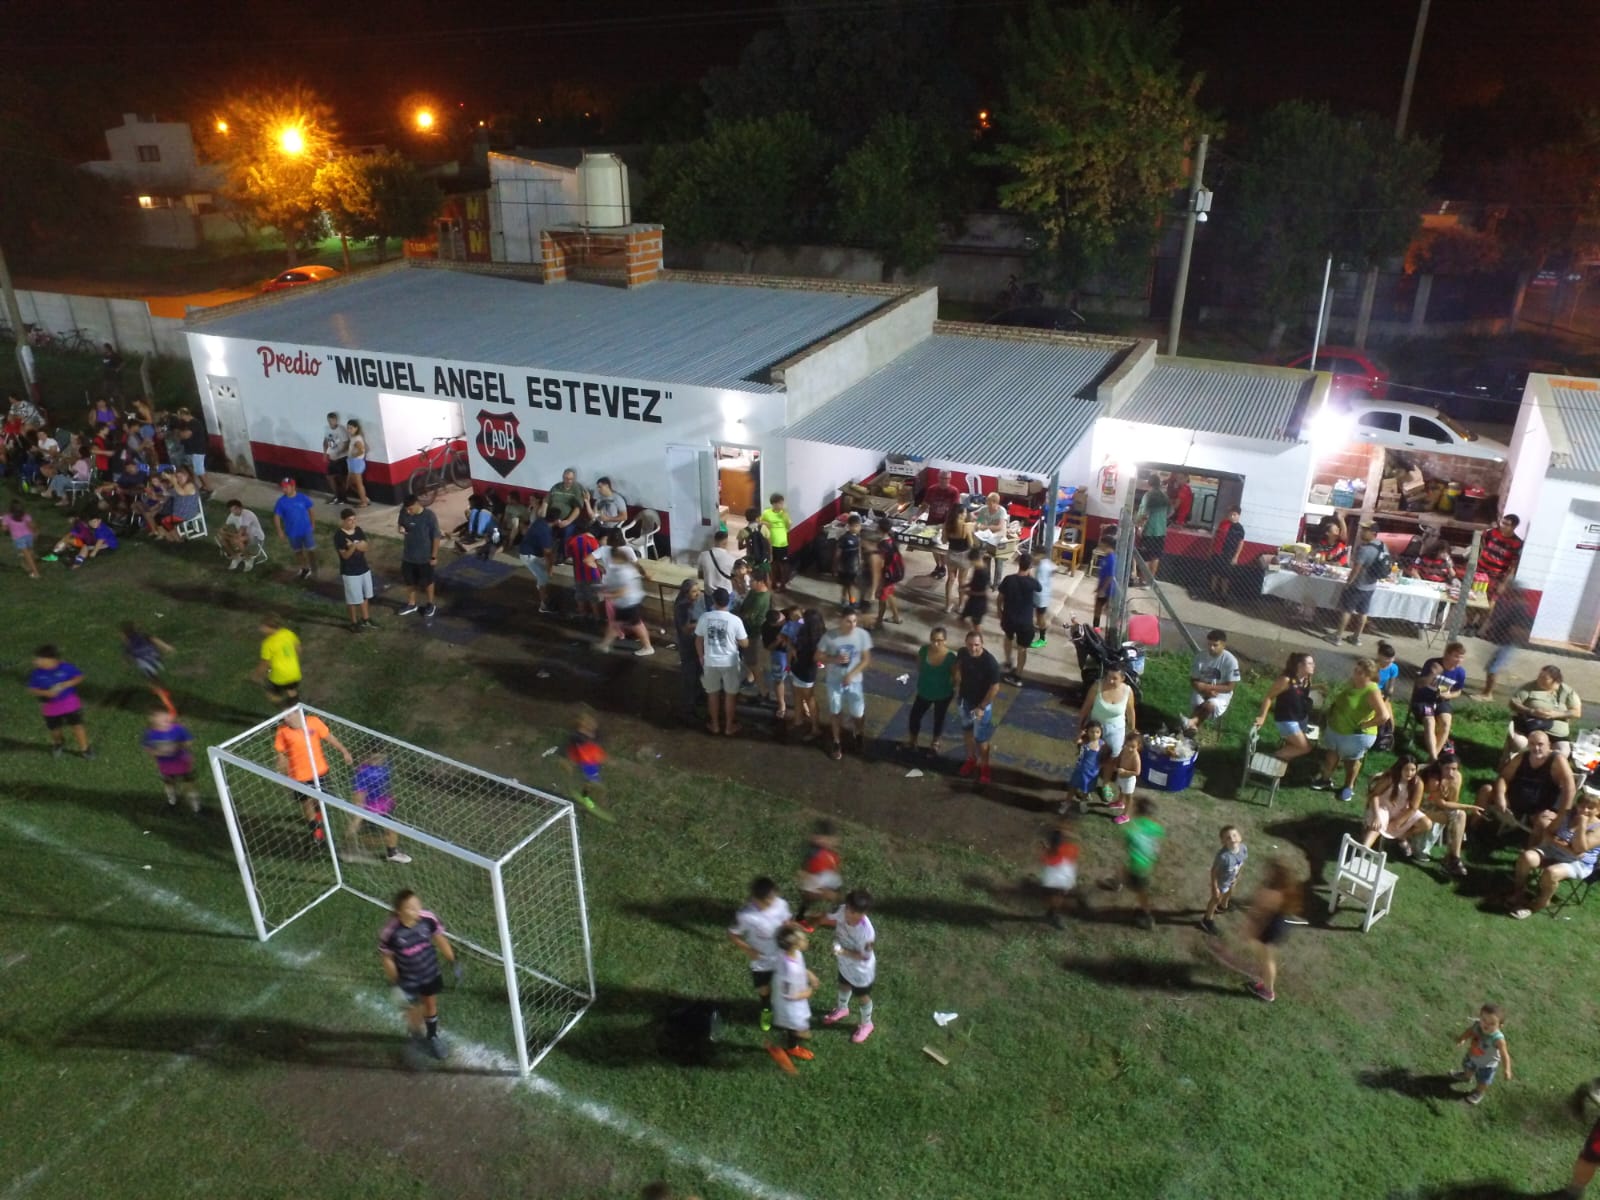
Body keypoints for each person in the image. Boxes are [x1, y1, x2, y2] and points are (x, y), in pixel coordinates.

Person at [379, 889, 460, 1061]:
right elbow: (387, 958)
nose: (417, 909)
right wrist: (396, 982)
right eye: (411, 907)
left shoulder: (428, 919)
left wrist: (453, 961)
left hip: (430, 973)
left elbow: (440, 939)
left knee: (430, 1005)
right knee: (414, 1011)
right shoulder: (390, 932)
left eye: (417, 905)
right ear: (399, 912)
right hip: (408, 979)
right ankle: (415, 1035)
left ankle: (432, 1037)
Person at [1509, 789, 1600, 919]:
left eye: (1590, 808)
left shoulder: (1598, 828)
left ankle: (1539, 903)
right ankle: (1518, 892)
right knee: (1527, 857)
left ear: (1598, 810)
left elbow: (1579, 849)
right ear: (1577, 805)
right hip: (1553, 851)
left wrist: (1582, 825)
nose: (1585, 810)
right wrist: (1566, 847)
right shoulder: (1567, 815)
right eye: (1582, 805)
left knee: (1552, 872)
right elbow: (1547, 832)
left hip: (1578, 863)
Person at [1311, 657, 1391, 803]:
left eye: (1359, 672)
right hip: (1336, 728)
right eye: (1356, 670)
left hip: (1355, 736)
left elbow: (1384, 715)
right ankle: (1325, 779)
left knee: (1351, 761)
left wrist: (1363, 726)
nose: (1355, 673)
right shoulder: (1352, 683)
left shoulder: (1372, 690)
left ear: (1368, 675)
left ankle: (1348, 787)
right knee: (1331, 755)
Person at [1481, 729, 1577, 846]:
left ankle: (1530, 855)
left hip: (1539, 808)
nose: (1536, 748)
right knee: (1485, 790)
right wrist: (1501, 796)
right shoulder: (1522, 757)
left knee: (1544, 822)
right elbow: (1503, 777)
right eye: (1532, 744)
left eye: (1540, 744)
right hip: (1512, 802)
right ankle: (1474, 828)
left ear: (1549, 745)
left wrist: (1562, 815)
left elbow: (1570, 788)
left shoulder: (1557, 760)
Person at [273, 707, 353, 843]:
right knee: (306, 803)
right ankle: (316, 830)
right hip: (298, 776)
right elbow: (280, 754)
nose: (286, 719)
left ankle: (319, 819)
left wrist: (343, 750)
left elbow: (329, 736)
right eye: (284, 717)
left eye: (288, 715)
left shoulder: (313, 722)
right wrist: (282, 771)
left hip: (320, 771)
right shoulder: (282, 731)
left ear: (297, 713)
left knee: (319, 800)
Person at [727, 876, 793, 1033]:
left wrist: (791, 938)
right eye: (769, 899)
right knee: (763, 988)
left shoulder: (781, 905)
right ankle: (766, 1009)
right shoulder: (746, 915)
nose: (773, 901)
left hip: (781, 955)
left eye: (774, 897)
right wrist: (748, 949)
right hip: (761, 959)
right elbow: (732, 934)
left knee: (785, 985)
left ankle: (785, 1012)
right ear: (757, 899)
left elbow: (787, 923)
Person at [1409, 753, 1481, 876]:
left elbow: (1453, 801)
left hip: (1436, 807)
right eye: (1448, 768)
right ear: (1440, 766)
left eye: (1454, 769)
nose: (1451, 772)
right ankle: (1452, 860)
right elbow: (1442, 804)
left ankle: (1454, 858)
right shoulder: (1434, 780)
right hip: (1420, 806)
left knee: (1460, 815)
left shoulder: (1456, 777)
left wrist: (1452, 786)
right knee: (1459, 815)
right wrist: (1469, 807)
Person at [819, 889, 877, 1043]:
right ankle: (842, 1008)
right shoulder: (842, 909)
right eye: (848, 908)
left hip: (860, 971)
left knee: (862, 996)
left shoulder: (867, 933)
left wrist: (842, 951)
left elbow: (864, 956)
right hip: (844, 963)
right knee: (843, 985)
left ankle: (867, 1024)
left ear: (862, 913)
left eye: (852, 912)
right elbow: (827, 917)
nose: (847, 914)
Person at [819, 609, 873, 761]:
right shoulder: (829, 636)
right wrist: (834, 659)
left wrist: (851, 674)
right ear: (840, 620)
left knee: (858, 713)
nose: (852, 625)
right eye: (848, 621)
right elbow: (818, 656)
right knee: (835, 711)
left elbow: (866, 659)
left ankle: (859, 733)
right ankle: (836, 741)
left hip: (854, 682)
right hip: (834, 681)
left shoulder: (862, 635)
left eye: (855, 621)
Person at [695, 587, 748, 736]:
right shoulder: (735, 620)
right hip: (730, 663)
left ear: (714, 601)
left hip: (710, 661)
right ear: (729, 601)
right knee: (730, 695)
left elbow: (698, 640)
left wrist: (701, 656)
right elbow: (745, 643)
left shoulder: (705, 617)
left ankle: (716, 725)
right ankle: (729, 727)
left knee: (712, 694)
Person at [1252, 652, 1317, 770]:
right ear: (1299, 665)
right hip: (1286, 720)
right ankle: (1270, 758)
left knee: (1293, 747)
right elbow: (1269, 697)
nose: (1314, 665)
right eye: (1310, 663)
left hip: (1299, 718)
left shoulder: (1306, 679)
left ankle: (1275, 768)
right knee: (1305, 747)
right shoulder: (1286, 680)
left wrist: (1319, 687)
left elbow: (1300, 692)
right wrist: (1262, 716)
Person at [953, 628, 1002, 784]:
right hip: (965, 702)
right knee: (967, 731)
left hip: (979, 707)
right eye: (970, 645)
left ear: (982, 644)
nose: (973, 648)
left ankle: (985, 767)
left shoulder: (990, 663)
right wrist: (957, 680)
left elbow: (995, 688)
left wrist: (981, 707)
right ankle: (971, 759)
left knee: (981, 738)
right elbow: (958, 665)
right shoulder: (963, 653)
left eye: (976, 645)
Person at [344, 750, 411, 863]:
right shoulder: (363, 772)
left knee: (393, 828)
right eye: (375, 758)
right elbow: (359, 793)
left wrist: (391, 795)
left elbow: (387, 782)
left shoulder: (387, 764)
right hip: (370, 806)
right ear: (367, 756)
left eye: (381, 758)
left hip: (384, 803)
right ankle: (348, 848)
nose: (379, 760)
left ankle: (392, 852)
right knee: (356, 825)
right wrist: (359, 808)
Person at [768, 926, 817, 1074]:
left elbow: (801, 968)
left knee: (797, 1027)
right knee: (800, 1028)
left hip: (793, 996)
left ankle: (791, 1045)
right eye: (802, 938)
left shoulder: (792, 953)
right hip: (791, 1003)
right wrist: (808, 992)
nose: (806, 939)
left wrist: (809, 975)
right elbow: (789, 994)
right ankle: (785, 1046)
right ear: (794, 945)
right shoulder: (790, 970)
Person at [1506, 665, 1583, 760]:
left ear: (1555, 681)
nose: (1539, 679)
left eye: (1544, 678)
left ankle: (1545, 771)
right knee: (1520, 742)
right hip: (1531, 726)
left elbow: (1577, 713)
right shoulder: (1530, 687)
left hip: (1556, 733)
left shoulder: (1568, 692)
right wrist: (1531, 711)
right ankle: (1517, 766)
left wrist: (1555, 714)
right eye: (1539, 676)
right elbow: (1513, 703)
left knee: (1563, 751)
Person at [28, 645, 92, 758]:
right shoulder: (37, 673)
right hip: (50, 706)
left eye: (39, 659)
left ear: (51, 659)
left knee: (77, 726)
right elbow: (32, 689)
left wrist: (66, 684)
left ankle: (85, 749)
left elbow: (79, 677)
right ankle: (58, 743)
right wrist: (46, 693)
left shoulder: (66, 668)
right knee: (55, 730)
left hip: (70, 703)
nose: (36, 661)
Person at [1330, 523, 1387, 647]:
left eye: (1365, 530)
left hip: (1357, 586)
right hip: (1371, 586)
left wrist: (1348, 583)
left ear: (1373, 533)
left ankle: (1337, 637)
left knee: (1347, 611)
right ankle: (1355, 638)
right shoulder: (1382, 546)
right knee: (1363, 612)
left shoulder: (1364, 549)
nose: (1361, 532)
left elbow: (1356, 569)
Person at [1477, 580, 1534, 700]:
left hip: (1508, 642)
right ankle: (1487, 691)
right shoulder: (1508, 603)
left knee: (1493, 668)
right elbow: (1496, 618)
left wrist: (1507, 632)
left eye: (1508, 589)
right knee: (1491, 667)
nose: (1505, 591)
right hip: (1501, 640)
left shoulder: (1520, 607)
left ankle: (1487, 694)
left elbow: (1519, 627)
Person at [1411, 641, 1468, 760]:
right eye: (1456, 656)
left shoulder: (1460, 672)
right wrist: (1432, 674)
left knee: (1446, 723)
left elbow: (1458, 691)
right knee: (1430, 721)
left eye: (1462, 657)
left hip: (1442, 701)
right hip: (1423, 700)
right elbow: (1419, 684)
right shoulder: (1433, 663)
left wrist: (1448, 695)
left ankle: (1433, 756)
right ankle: (1434, 758)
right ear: (1447, 654)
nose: (1459, 660)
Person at [1450, 1004, 1514, 1106]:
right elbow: (1470, 1032)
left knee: (1483, 1081)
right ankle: (1466, 1076)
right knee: (1467, 1067)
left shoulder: (1498, 1039)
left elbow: (1504, 1054)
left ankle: (1478, 1092)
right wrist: (1462, 1038)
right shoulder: (1477, 1026)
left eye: (1492, 1023)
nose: (1486, 1024)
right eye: (1483, 1019)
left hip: (1487, 1065)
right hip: (1473, 1056)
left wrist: (1507, 1070)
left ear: (1500, 1026)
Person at [1362, 752, 1426, 854]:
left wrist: (1399, 822)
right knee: (1377, 825)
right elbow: (1374, 795)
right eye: (1406, 769)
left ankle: (1401, 836)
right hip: (1383, 807)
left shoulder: (1418, 783)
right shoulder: (1391, 778)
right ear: (1400, 768)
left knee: (1426, 823)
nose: (1409, 773)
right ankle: (1363, 849)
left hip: (1402, 810)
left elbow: (1414, 807)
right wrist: (1376, 816)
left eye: (1413, 770)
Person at [596, 549, 655, 657]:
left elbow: (622, 591)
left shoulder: (623, 572)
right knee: (617, 623)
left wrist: (606, 595)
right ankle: (605, 645)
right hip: (627, 602)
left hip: (628, 603)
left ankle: (648, 647)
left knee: (635, 625)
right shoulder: (626, 568)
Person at [907, 626, 955, 758]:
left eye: (939, 640)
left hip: (943, 694)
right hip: (924, 691)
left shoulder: (951, 657)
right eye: (933, 640)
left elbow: (955, 676)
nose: (935, 643)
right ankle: (913, 741)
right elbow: (920, 667)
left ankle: (935, 742)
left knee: (939, 718)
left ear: (945, 641)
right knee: (914, 716)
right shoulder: (923, 651)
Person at [1117, 795, 1163, 930]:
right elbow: (1157, 845)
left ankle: (1147, 916)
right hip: (1148, 863)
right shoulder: (1156, 827)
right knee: (1122, 869)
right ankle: (1117, 882)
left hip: (1136, 866)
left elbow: (1128, 845)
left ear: (1137, 811)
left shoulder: (1132, 829)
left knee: (1141, 892)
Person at [141, 709, 201, 813]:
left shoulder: (178, 729)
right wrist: (160, 753)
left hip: (182, 762)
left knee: (188, 782)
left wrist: (177, 747)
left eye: (166, 716)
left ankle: (193, 800)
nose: (165, 719)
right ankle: (172, 798)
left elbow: (188, 741)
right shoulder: (150, 734)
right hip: (165, 765)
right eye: (160, 717)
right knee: (169, 782)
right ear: (153, 720)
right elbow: (148, 748)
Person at [1184, 629, 1240, 735]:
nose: (1211, 648)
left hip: (1221, 693)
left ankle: (1190, 724)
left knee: (1209, 705)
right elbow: (1193, 680)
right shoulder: (1200, 657)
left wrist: (1208, 688)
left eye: (1215, 645)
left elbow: (1230, 687)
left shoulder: (1231, 661)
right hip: (1201, 689)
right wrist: (1203, 689)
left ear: (1223, 645)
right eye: (1209, 644)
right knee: (1198, 704)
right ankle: (1192, 728)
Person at [996, 551, 1040, 685]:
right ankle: (1018, 676)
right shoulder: (1032, 583)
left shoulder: (1008, 580)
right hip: (1025, 622)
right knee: (1022, 648)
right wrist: (1030, 575)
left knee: (1008, 638)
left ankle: (1008, 662)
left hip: (1008, 617)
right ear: (1030, 566)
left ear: (1018, 564)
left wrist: (999, 610)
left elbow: (1000, 598)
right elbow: (1039, 588)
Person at [397, 493, 441, 618]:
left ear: (417, 504)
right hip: (408, 555)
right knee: (409, 581)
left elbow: (436, 537)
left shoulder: (429, 516)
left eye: (410, 509)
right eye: (406, 509)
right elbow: (400, 524)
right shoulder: (404, 512)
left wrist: (433, 556)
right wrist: (400, 528)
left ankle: (430, 604)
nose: (408, 511)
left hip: (424, 557)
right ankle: (412, 604)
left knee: (428, 581)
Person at [333, 509, 378, 631]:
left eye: (354, 519)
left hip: (363, 568)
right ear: (343, 521)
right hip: (350, 572)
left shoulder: (358, 530)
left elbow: (366, 547)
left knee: (365, 596)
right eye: (349, 520)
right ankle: (353, 622)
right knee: (352, 599)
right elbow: (345, 556)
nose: (352, 522)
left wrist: (353, 545)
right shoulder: (339, 536)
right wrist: (355, 546)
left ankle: (366, 619)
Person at [1080, 663, 1136, 759]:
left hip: (1116, 731)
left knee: (1111, 759)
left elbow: (1130, 712)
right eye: (1108, 677)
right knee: (1090, 757)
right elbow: (1086, 707)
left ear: (1122, 679)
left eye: (1115, 678)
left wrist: (1132, 733)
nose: (1110, 681)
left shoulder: (1128, 691)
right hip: (1095, 730)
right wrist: (1080, 728)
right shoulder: (1097, 686)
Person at [1200, 825, 1248, 936]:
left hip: (1232, 878)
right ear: (1223, 842)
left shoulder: (1243, 848)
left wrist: (1237, 876)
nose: (1232, 839)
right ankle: (1207, 920)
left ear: (1240, 837)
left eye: (1234, 835)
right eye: (1228, 837)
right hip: (1221, 882)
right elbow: (1214, 872)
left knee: (1230, 892)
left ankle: (1223, 906)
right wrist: (1215, 887)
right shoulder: (1223, 857)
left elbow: (1241, 863)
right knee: (1215, 899)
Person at [794, 820, 842, 930]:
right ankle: (801, 918)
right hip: (816, 878)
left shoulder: (829, 853)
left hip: (826, 875)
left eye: (832, 840)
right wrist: (819, 889)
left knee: (836, 891)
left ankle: (834, 913)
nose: (832, 842)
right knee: (809, 899)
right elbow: (805, 872)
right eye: (828, 839)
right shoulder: (813, 852)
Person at [672, 578, 706, 723]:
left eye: (698, 590)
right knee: (690, 677)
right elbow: (685, 629)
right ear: (686, 593)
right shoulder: (683, 607)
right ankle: (688, 709)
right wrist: (701, 622)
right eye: (694, 591)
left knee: (698, 672)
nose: (698, 594)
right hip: (688, 645)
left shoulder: (695, 602)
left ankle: (698, 698)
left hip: (696, 644)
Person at [789, 608, 824, 741]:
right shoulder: (819, 636)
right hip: (803, 670)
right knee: (799, 695)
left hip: (803, 670)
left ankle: (815, 728)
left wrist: (792, 647)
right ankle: (798, 720)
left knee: (809, 698)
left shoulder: (806, 635)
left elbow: (799, 650)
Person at [272, 477, 317, 580]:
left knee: (310, 550)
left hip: (306, 530)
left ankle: (313, 567)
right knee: (298, 551)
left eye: (286, 487)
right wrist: (280, 531)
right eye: (283, 487)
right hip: (292, 532)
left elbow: (310, 511)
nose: (284, 490)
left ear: (293, 487)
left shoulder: (302, 498)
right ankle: (304, 568)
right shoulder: (281, 502)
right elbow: (276, 517)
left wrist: (313, 523)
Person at [253, 614, 304, 705]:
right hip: (294, 671)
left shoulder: (268, 643)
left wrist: (257, 676)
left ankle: (285, 711)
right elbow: (298, 648)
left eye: (263, 627)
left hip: (279, 676)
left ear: (269, 627)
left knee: (272, 695)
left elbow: (265, 664)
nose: (261, 629)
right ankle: (296, 707)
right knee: (291, 690)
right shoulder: (288, 633)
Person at [1039, 823, 1082, 927]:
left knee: (1058, 895)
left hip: (1057, 876)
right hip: (1059, 878)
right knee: (1058, 896)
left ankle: (1052, 912)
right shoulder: (1067, 850)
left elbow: (1047, 858)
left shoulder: (1057, 852)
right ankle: (1052, 914)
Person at [517, 500, 556, 614]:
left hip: (531, 553)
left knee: (543, 576)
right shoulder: (545, 532)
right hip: (529, 556)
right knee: (543, 578)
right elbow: (548, 554)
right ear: (557, 520)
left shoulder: (540, 521)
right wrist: (550, 569)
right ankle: (544, 606)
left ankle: (544, 593)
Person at [922, 471, 962, 579]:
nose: (944, 480)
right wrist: (916, 516)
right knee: (932, 546)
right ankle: (938, 565)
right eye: (942, 478)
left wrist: (947, 524)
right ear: (938, 478)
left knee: (942, 547)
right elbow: (925, 504)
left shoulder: (954, 491)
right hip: (932, 522)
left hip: (945, 524)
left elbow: (955, 510)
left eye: (947, 478)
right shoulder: (932, 489)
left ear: (950, 479)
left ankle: (943, 567)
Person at [1063, 719, 1106, 814]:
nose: (1095, 734)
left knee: (1087, 790)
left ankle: (1083, 803)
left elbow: (1103, 758)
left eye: (1097, 732)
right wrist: (1080, 734)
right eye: (1092, 732)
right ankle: (1067, 802)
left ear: (1101, 732)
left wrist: (1099, 768)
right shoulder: (1085, 742)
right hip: (1081, 770)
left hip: (1092, 773)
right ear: (1087, 731)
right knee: (1073, 787)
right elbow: (1076, 741)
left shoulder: (1102, 744)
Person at [1133, 474, 1170, 584]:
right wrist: (1161, 519)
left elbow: (1144, 514)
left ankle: (1143, 580)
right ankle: (1151, 580)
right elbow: (1170, 512)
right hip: (1161, 531)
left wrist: (1139, 526)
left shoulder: (1148, 496)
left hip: (1149, 530)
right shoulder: (1165, 496)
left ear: (1149, 483)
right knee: (1156, 556)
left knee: (1146, 556)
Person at [568, 519, 604, 621]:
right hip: (592, 573)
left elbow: (569, 555)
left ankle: (582, 612)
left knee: (580, 594)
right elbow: (596, 558)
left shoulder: (572, 540)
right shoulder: (594, 542)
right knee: (593, 596)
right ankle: (596, 616)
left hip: (579, 572)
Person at [1477, 513, 1524, 591]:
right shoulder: (1493, 532)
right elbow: (1482, 540)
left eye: (1506, 524)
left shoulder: (1517, 544)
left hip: (1495, 576)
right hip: (1480, 569)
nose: (1502, 525)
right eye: (1502, 522)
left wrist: (1504, 584)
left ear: (1514, 527)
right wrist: (1483, 553)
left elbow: (1513, 566)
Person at [545, 467, 589, 549]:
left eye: (570, 479)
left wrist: (568, 521)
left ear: (574, 479)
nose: (568, 481)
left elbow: (577, 509)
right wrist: (543, 515)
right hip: (552, 517)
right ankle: (545, 551)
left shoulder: (577, 489)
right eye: (566, 478)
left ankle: (562, 554)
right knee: (542, 527)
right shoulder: (556, 487)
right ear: (563, 477)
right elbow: (547, 500)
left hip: (568, 519)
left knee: (567, 531)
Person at [1104, 729, 1142, 822]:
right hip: (1121, 776)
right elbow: (1119, 758)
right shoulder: (1124, 750)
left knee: (1128, 796)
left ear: (1138, 746)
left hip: (1129, 779)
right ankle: (1120, 802)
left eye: (1133, 747)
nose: (1129, 748)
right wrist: (1115, 766)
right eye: (1127, 745)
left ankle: (1125, 815)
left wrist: (1125, 772)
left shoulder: (1136, 758)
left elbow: (1137, 772)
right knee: (1121, 789)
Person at [1208, 506, 1245, 601]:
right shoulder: (1223, 523)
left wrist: (1236, 556)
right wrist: (1211, 549)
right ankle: (1212, 592)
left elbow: (1240, 543)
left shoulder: (1239, 528)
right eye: (1231, 514)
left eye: (1234, 515)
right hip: (1217, 552)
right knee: (1214, 573)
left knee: (1225, 575)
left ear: (1238, 516)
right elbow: (1215, 537)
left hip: (1229, 554)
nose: (1232, 516)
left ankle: (1223, 594)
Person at [873, 519, 905, 627]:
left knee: (882, 599)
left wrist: (878, 580)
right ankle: (896, 617)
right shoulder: (892, 539)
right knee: (890, 595)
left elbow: (881, 563)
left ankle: (878, 621)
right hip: (893, 574)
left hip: (886, 576)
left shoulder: (882, 545)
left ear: (880, 529)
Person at [220, 500, 266, 571]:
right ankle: (236, 557)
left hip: (256, 537)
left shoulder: (247, 515)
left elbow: (240, 534)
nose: (233, 512)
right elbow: (224, 527)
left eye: (235, 509)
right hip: (245, 536)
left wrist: (226, 534)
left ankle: (248, 559)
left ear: (240, 508)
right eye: (231, 510)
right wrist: (222, 530)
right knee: (223, 540)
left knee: (236, 540)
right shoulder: (232, 515)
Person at [942, 505, 972, 611]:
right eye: (964, 512)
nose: (966, 514)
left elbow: (944, 541)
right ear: (959, 514)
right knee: (962, 581)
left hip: (951, 555)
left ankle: (947, 606)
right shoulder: (965, 526)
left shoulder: (946, 525)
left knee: (950, 580)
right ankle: (961, 606)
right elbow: (971, 544)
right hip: (964, 556)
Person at [759, 494, 792, 591]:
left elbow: (789, 526)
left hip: (782, 543)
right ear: (773, 504)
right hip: (770, 543)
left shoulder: (784, 514)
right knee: (772, 564)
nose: (781, 505)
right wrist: (767, 524)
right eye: (779, 503)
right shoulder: (766, 512)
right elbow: (760, 522)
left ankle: (783, 585)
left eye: (782, 503)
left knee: (782, 565)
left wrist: (785, 517)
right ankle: (773, 582)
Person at [176, 406, 210, 495]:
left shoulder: (193, 423)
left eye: (179, 415)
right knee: (196, 469)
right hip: (193, 450)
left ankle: (208, 488)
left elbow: (186, 435)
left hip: (197, 450)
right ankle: (204, 486)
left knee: (199, 470)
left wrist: (179, 434)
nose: (179, 418)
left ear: (183, 415)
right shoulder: (189, 423)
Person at [3, 501, 40, 578]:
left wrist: (4, 524)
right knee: (30, 552)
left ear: (11, 510)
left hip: (19, 539)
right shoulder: (26, 516)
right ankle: (27, 565)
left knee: (27, 555)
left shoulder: (7, 517)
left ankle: (35, 572)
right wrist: (35, 532)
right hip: (29, 537)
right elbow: (32, 526)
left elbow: (4, 529)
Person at [835, 514, 863, 612]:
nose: (858, 528)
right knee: (850, 585)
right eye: (856, 526)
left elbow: (859, 552)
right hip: (846, 567)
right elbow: (838, 553)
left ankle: (844, 601)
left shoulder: (857, 538)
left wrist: (860, 563)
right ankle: (852, 602)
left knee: (847, 585)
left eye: (859, 526)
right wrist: (836, 566)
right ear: (850, 526)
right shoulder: (844, 538)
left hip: (853, 567)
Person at [321, 412, 350, 504]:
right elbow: (325, 441)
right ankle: (337, 496)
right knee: (330, 477)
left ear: (336, 420)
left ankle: (343, 497)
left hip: (341, 458)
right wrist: (325, 453)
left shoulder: (341, 430)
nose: (331, 422)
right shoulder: (327, 429)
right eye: (329, 420)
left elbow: (346, 443)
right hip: (332, 457)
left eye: (332, 420)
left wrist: (340, 453)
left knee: (342, 478)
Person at [1030, 549, 1055, 649]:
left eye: (1035, 556)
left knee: (1040, 618)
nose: (1033, 558)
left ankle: (1042, 639)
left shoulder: (1042, 567)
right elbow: (1054, 569)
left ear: (1040, 555)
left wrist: (1029, 578)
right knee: (1039, 616)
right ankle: (1043, 627)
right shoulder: (1046, 563)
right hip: (1043, 595)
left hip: (1041, 596)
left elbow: (1038, 584)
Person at [1092, 533, 1118, 627]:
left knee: (1107, 611)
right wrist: (1098, 588)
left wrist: (1103, 589)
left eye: (1101, 543)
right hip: (1103, 588)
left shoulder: (1111, 559)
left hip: (1109, 590)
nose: (1100, 545)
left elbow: (1110, 576)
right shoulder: (1106, 557)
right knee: (1097, 609)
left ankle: (1111, 631)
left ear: (1107, 544)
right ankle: (1096, 628)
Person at [344, 419, 370, 507]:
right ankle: (364, 498)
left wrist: (353, 455)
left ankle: (364, 502)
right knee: (351, 483)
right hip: (353, 463)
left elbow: (362, 450)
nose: (349, 430)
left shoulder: (357, 438)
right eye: (348, 428)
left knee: (359, 484)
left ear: (356, 428)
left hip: (356, 463)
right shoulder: (355, 437)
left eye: (351, 428)